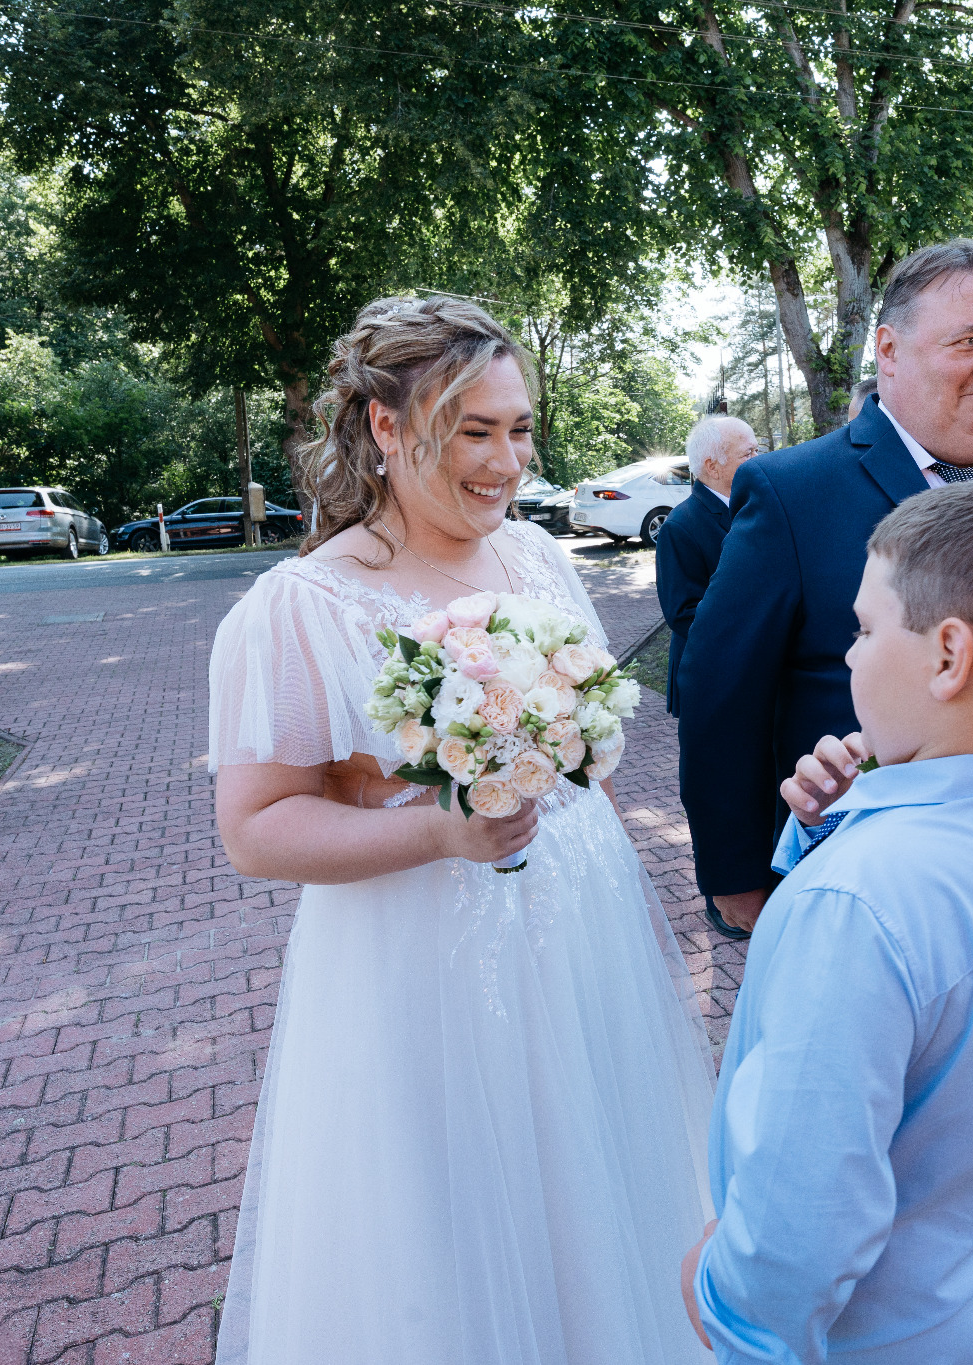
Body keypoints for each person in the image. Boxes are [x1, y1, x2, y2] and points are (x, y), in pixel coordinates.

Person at [208, 296, 715, 1365]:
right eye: (471, 431)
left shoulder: (538, 560)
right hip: (418, 973)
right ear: (387, 429)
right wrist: (442, 834)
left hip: (578, 935)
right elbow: (256, 829)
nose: (504, 461)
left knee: (600, 1191)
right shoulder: (301, 606)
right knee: (450, 1238)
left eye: (518, 429)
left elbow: (584, 757)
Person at [681, 480, 973, 1365]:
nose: (848, 653)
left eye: (866, 629)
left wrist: (726, 1302)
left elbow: (807, 1211)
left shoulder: (859, 906)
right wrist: (825, 833)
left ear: (949, 655)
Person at [676, 237, 973, 954]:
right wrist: (736, 872)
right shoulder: (794, 492)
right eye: (967, 340)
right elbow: (721, 686)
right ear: (888, 350)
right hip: (870, 896)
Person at [657, 415, 758, 721]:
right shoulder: (680, 526)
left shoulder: (756, 505)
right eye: (748, 454)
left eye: (757, 451)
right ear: (713, 466)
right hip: (711, 678)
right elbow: (683, 613)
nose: (757, 461)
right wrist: (756, 634)